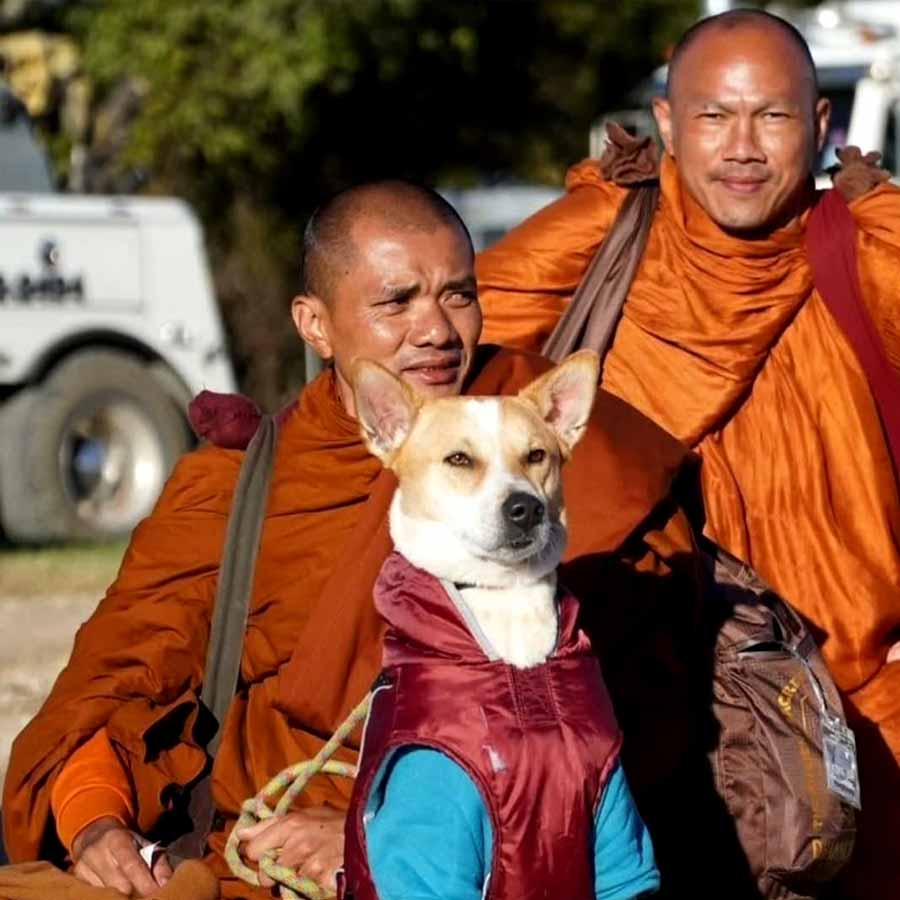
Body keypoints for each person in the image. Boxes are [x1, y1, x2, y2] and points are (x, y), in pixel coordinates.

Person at [2, 180, 700, 899]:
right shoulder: (240, 489)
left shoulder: (535, 437)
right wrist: (97, 827)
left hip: (483, 853)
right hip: (254, 851)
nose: (436, 330)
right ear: (315, 325)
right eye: (397, 302)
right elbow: (114, 690)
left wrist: (377, 830)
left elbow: (638, 702)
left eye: (459, 294)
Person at [476, 10, 900, 897]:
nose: (741, 147)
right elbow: (438, 350)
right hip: (639, 705)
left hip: (852, 714)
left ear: (821, 127)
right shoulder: (603, 236)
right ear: (668, 124)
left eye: (773, 118)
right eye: (714, 117)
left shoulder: (865, 248)